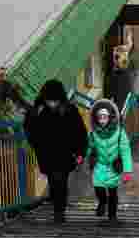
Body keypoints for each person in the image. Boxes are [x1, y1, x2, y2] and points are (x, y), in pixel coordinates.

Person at [23, 79, 89, 224]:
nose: (52, 103)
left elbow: (80, 132)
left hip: (64, 153)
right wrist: (35, 143)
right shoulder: (38, 110)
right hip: (46, 153)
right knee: (54, 180)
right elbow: (28, 128)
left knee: (60, 180)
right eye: (49, 100)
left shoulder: (69, 110)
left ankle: (59, 211)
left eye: (54, 100)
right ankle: (58, 207)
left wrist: (80, 152)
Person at [85, 98, 133, 224]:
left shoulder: (120, 133)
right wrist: (82, 156)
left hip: (113, 166)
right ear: (96, 118)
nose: (102, 120)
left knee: (112, 192)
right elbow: (89, 147)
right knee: (98, 187)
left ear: (110, 117)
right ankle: (102, 202)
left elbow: (125, 151)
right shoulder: (93, 133)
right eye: (99, 117)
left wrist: (127, 171)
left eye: (104, 117)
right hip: (99, 165)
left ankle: (112, 216)